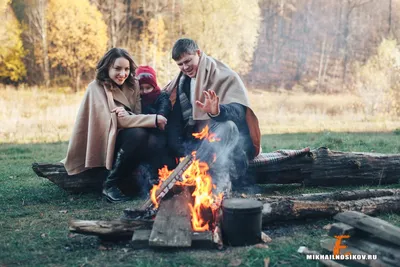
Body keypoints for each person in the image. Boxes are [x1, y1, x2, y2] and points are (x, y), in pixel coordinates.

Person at [62, 48, 167, 203]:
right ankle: (109, 184)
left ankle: (149, 181)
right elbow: (116, 122)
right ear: (107, 67)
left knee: (151, 137)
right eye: (117, 69)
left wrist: (131, 116)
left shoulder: (133, 85)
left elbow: (136, 115)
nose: (122, 74)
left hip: (126, 138)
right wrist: (154, 118)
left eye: (126, 69)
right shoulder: (96, 87)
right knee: (138, 133)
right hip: (105, 140)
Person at [164, 38, 261, 192]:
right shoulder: (182, 83)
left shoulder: (224, 75)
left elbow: (239, 113)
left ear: (198, 53)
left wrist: (217, 111)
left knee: (227, 127)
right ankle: (198, 180)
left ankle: (205, 181)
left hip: (232, 148)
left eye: (188, 61)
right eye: (180, 64)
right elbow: (175, 122)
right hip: (198, 146)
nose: (185, 67)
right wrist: (182, 151)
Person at [136, 66, 173, 181]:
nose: (144, 92)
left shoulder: (161, 96)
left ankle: (157, 175)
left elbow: (164, 109)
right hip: (143, 130)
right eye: (141, 88)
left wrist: (157, 117)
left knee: (155, 143)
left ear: (154, 86)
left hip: (160, 131)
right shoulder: (137, 99)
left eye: (148, 88)